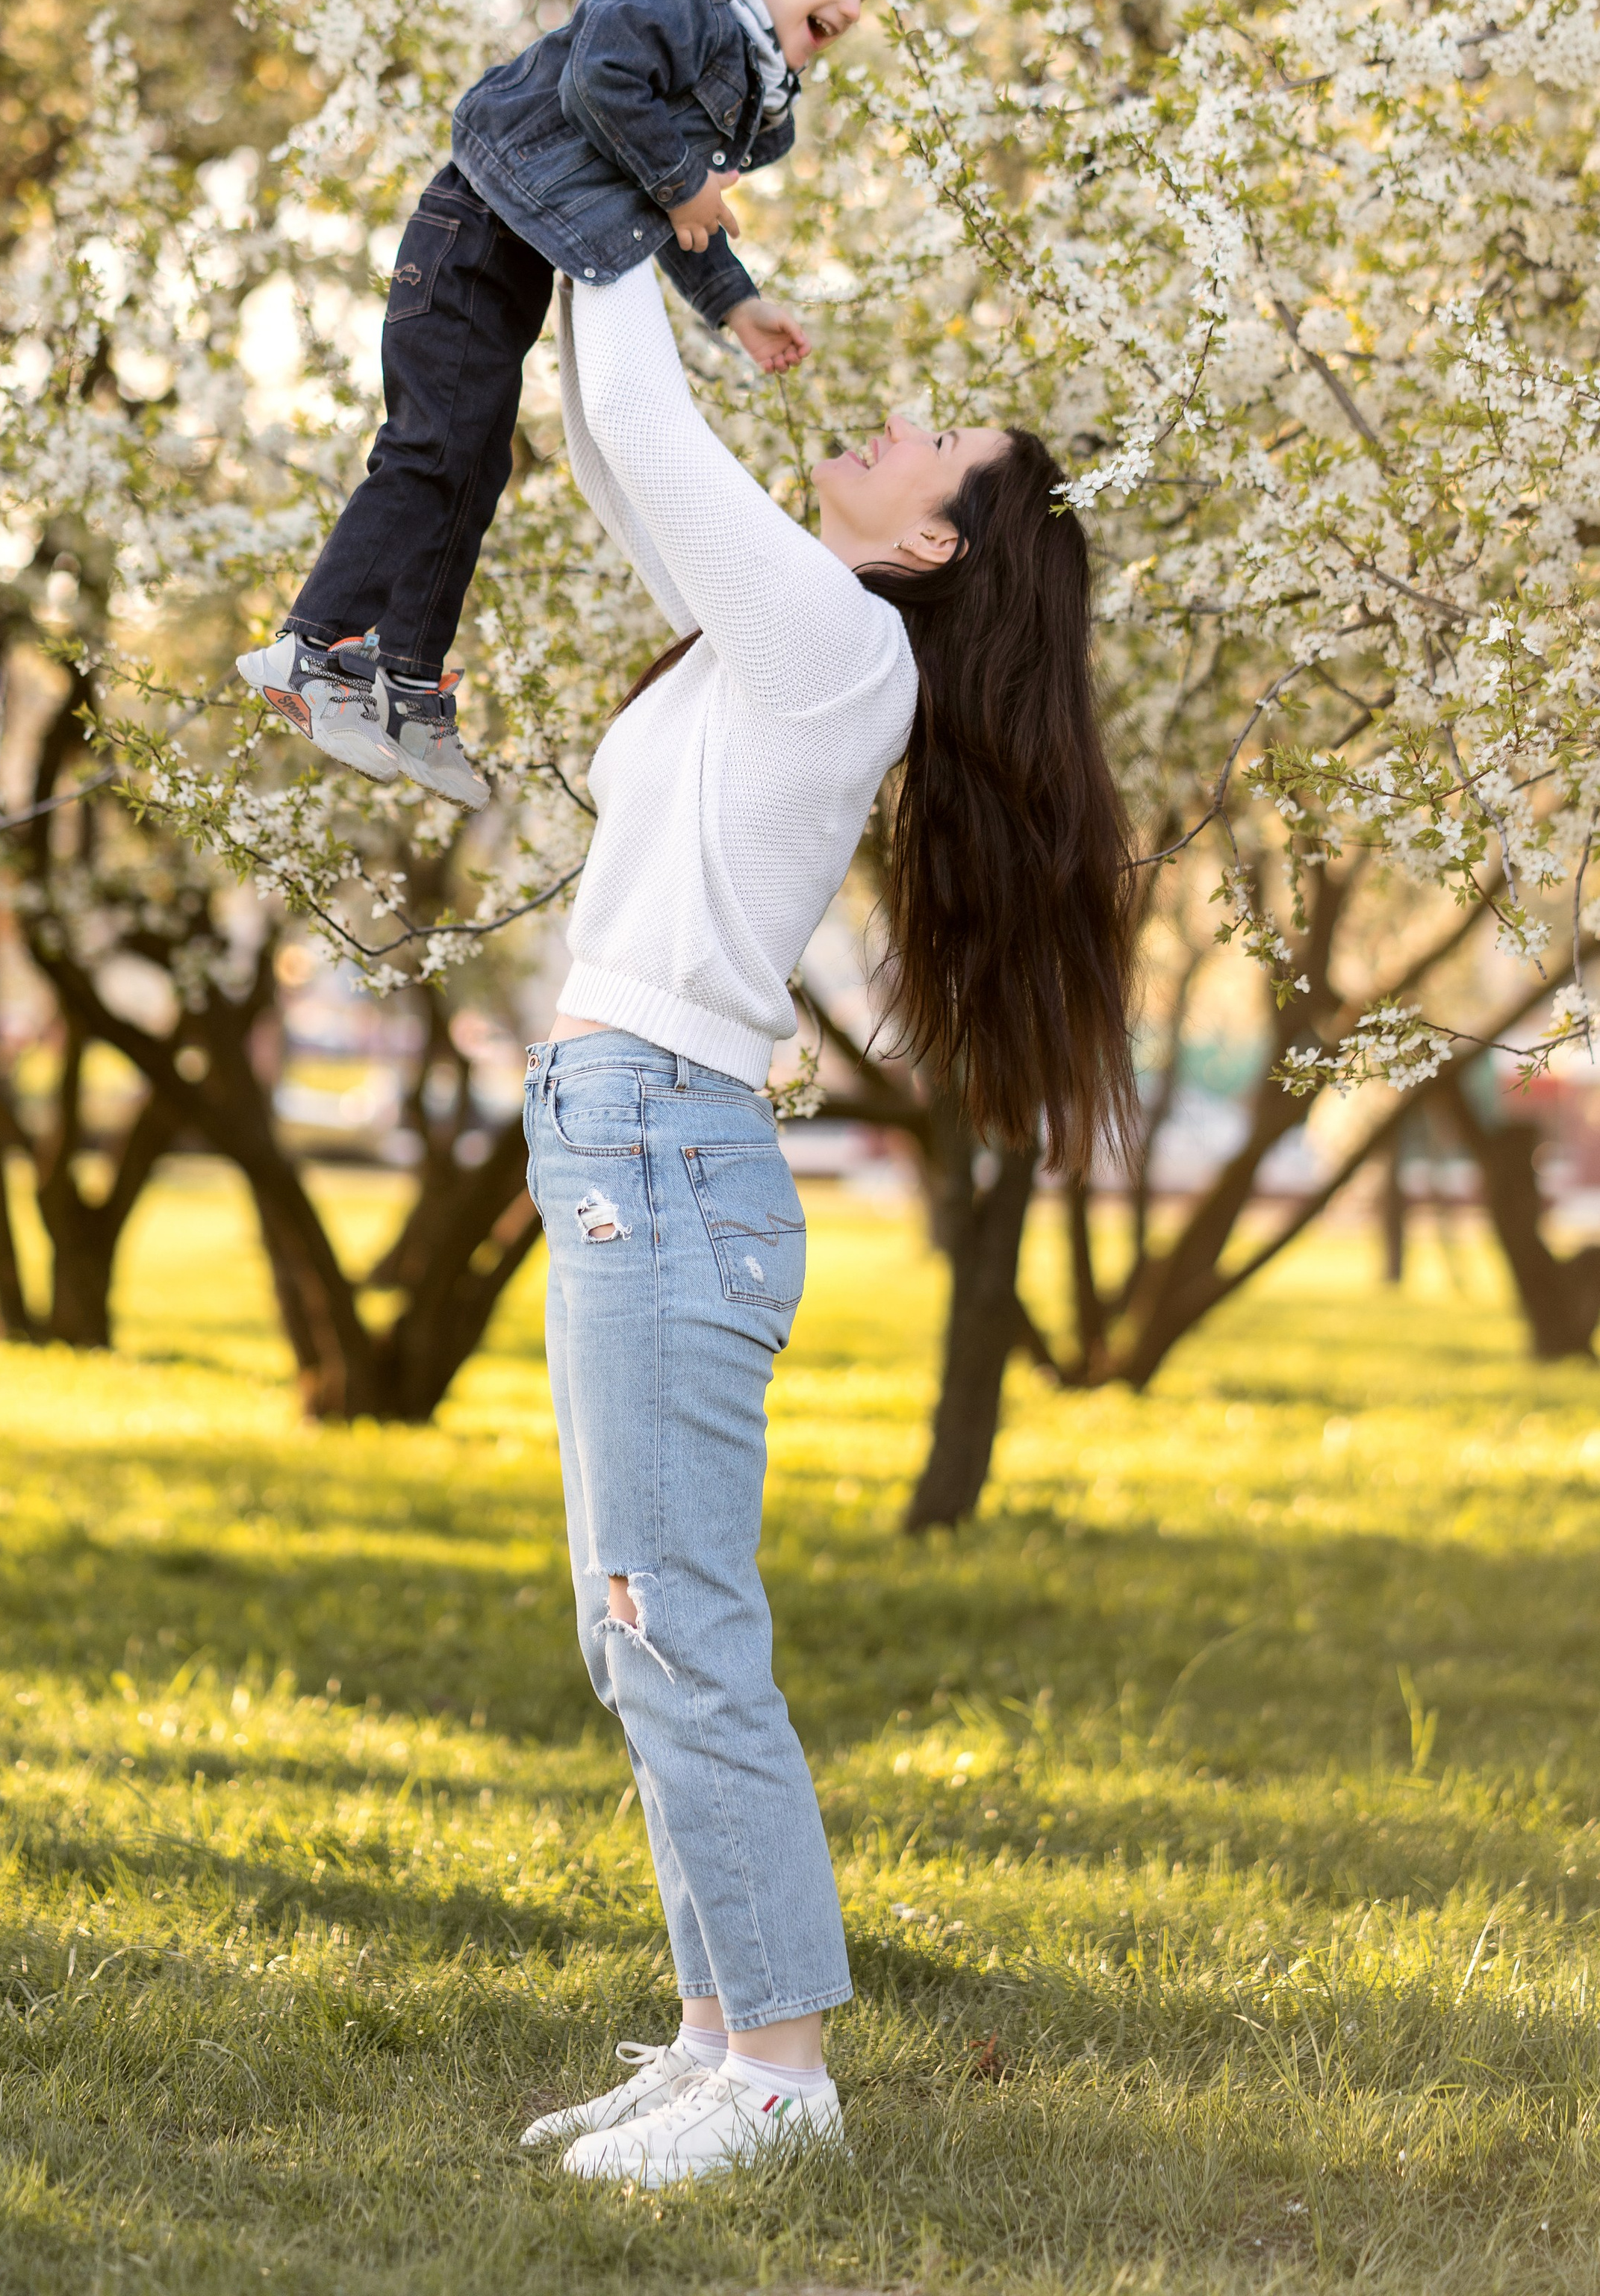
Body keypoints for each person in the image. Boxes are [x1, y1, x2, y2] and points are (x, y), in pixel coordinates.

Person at [514, 264, 1139, 2188]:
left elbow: (635, 415)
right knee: (637, 1630)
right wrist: (588, 240)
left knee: (676, 1621)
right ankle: (713, 2039)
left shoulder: (830, 644)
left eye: (934, 442)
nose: (896, 418)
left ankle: (780, 2077)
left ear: (936, 537)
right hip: (620, 1139)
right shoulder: (775, 628)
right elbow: (582, 424)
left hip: (664, 1152)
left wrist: (631, 171)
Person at [235, 0, 893, 811]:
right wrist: (683, 184)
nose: (855, 9)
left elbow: (668, 202)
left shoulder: (727, 49)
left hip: (505, 256)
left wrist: (736, 303)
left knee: (474, 462)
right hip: (468, 235)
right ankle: (315, 646)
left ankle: (405, 677)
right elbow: (602, 81)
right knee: (429, 449)